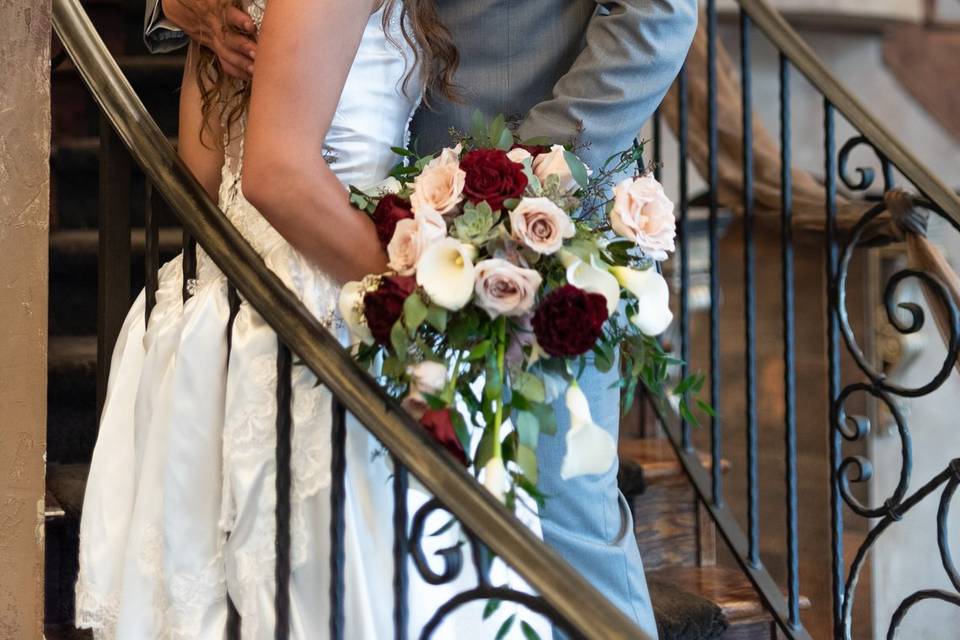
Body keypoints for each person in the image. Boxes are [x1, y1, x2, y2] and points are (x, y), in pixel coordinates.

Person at [77, 0, 695, 638]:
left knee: (565, 526)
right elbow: (260, 168)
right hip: (366, 257)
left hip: (516, 206)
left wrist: (534, 179)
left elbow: (659, 14)